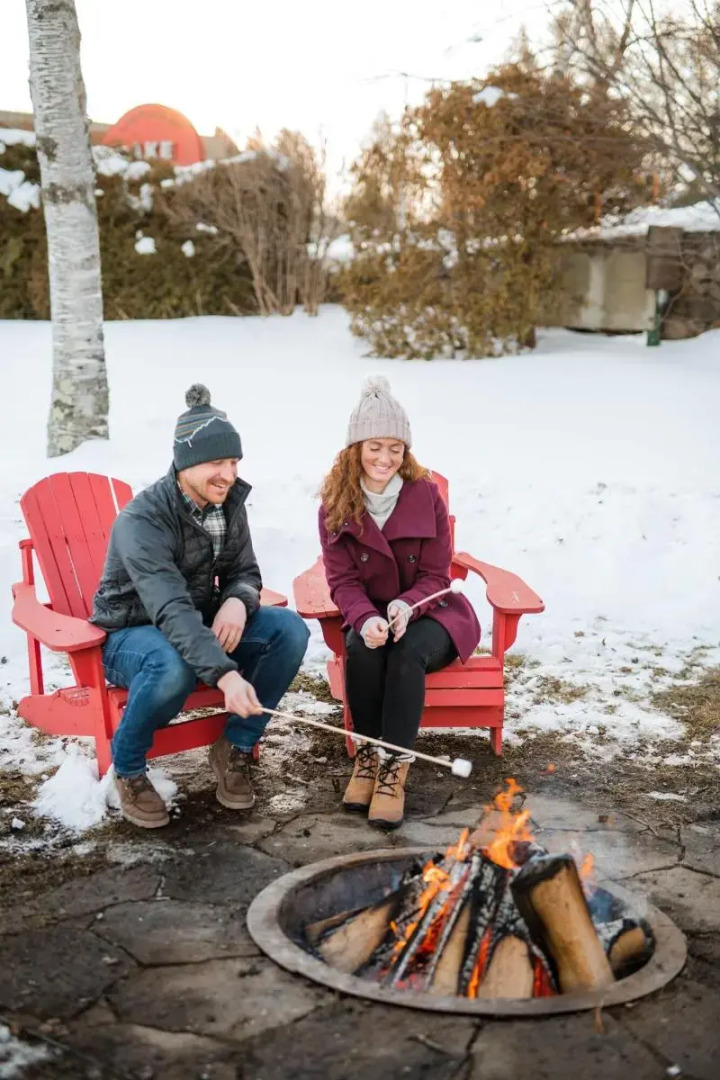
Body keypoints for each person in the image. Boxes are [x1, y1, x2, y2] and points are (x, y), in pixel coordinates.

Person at [91, 384, 309, 829]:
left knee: (289, 630)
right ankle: (128, 768)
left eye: (233, 462)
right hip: (131, 633)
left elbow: (245, 570)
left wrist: (236, 600)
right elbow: (169, 607)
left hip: (196, 622)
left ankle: (236, 746)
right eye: (217, 462)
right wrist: (226, 674)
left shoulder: (226, 504)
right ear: (186, 461)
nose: (227, 474)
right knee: (174, 663)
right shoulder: (143, 520)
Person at [318, 376, 480, 830]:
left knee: (406, 653)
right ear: (355, 448)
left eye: (395, 448)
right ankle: (367, 754)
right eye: (375, 446)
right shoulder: (335, 504)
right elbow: (342, 579)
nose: (385, 458)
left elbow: (435, 575)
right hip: (371, 613)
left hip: (432, 612)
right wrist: (366, 617)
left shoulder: (425, 495)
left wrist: (407, 605)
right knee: (362, 647)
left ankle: (394, 766)